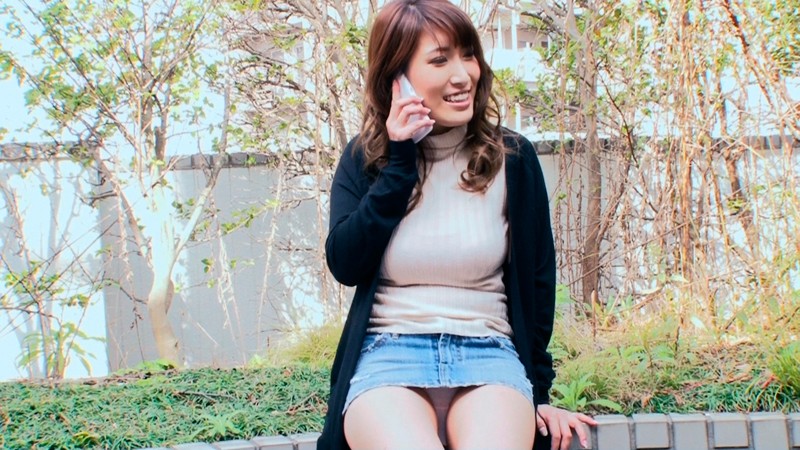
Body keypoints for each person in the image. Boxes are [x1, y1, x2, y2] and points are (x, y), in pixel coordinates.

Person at [318, 1, 597, 449]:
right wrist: (400, 162)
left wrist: (539, 394)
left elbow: (538, 283)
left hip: (489, 355)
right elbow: (346, 264)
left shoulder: (513, 159)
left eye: (468, 55)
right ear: (397, 77)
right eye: (440, 60)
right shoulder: (365, 159)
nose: (463, 75)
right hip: (389, 356)